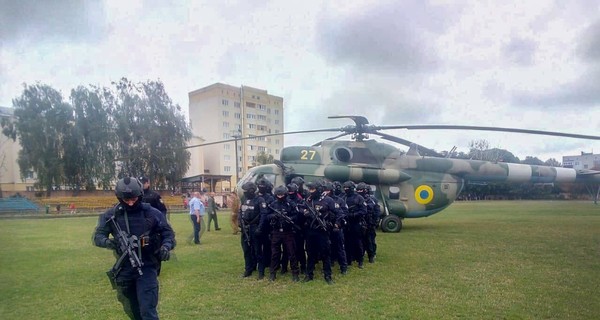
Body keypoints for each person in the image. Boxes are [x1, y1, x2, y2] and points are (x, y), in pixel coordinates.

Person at [93, 177, 175, 320]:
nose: (131, 202)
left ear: (140, 195)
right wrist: (108, 242)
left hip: (147, 267)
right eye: (126, 199)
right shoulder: (111, 215)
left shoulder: (152, 213)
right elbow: (98, 236)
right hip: (124, 270)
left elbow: (168, 234)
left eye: (134, 198)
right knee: (133, 311)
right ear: (119, 197)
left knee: (148, 311)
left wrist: (166, 247)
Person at [267, 185, 300, 282]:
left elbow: (297, 215)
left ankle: (295, 274)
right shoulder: (273, 204)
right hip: (276, 232)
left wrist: (290, 219)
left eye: (282, 195)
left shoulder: (291, 204)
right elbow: (267, 216)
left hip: (288, 232)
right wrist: (274, 216)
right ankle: (272, 273)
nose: (280, 196)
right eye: (278, 195)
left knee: (291, 253)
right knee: (275, 254)